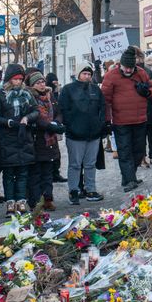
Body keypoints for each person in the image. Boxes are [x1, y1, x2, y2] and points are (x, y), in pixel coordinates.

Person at [101, 47, 152, 193]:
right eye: (126, 68)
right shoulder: (111, 76)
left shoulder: (141, 73)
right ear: (120, 65)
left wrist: (147, 92)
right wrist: (106, 120)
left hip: (140, 119)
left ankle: (129, 176)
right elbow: (105, 100)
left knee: (139, 151)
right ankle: (130, 179)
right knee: (124, 151)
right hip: (121, 121)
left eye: (131, 68)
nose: (129, 70)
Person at [58, 65, 105, 205]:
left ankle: (91, 189)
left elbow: (102, 108)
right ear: (78, 74)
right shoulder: (68, 89)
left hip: (93, 134)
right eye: (84, 73)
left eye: (89, 74)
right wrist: (70, 126)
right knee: (75, 164)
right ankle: (74, 190)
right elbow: (63, 109)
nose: (87, 76)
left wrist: (101, 125)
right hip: (75, 134)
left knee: (90, 164)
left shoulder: (96, 90)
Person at [0, 65, 34, 208]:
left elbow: (35, 111)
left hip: (24, 137)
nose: (18, 82)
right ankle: (10, 202)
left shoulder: (27, 93)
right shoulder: (0, 95)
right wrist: (8, 122)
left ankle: (21, 201)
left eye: (21, 79)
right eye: (16, 79)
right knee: (9, 174)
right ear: (9, 79)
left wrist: (27, 117)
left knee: (23, 172)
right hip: (7, 139)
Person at [24, 72, 64, 210]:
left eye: (42, 81)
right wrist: (50, 126)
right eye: (38, 83)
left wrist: (57, 123)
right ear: (32, 85)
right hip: (37, 139)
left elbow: (58, 111)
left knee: (48, 172)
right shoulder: (29, 97)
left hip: (50, 141)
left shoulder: (49, 95)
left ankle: (48, 198)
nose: (41, 84)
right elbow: (36, 117)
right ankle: (35, 201)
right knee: (35, 173)